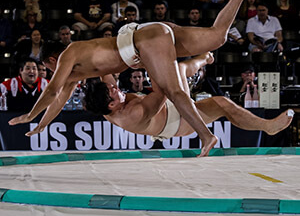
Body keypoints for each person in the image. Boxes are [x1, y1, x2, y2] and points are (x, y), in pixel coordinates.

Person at [8, 0, 276, 157]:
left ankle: (205, 136)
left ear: (53, 61)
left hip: (142, 43)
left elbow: (53, 91)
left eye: (49, 68)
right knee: (217, 37)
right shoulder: (78, 71)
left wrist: (30, 115)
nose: (53, 73)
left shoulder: (71, 54)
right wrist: (43, 123)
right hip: (150, 36)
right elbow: (59, 98)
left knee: (176, 92)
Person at [81, 53, 293, 147]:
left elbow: (105, 70)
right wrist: (147, 60)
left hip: (168, 109)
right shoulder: (133, 113)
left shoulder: (106, 104)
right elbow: (163, 90)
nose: (116, 86)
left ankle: (205, 58)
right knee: (223, 104)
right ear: (112, 104)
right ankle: (268, 127)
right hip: (176, 124)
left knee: (181, 68)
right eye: (113, 90)